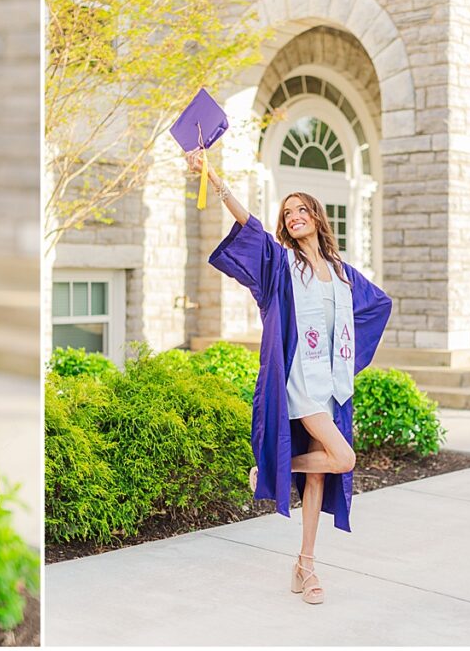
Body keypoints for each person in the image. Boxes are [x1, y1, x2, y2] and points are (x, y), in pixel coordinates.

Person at [186, 149, 391, 605]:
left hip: (333, 385)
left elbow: (378, 305)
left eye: (301, 209)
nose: (294, 215)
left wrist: (348, 355)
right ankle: (274, 470)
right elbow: (249, 227)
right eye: (288, 212)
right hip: (301, 384)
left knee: (318, 482)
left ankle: (306, 567)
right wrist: (213, 176)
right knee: (343, 459)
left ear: (317, 218)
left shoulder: (341, 274)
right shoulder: (284, 265)